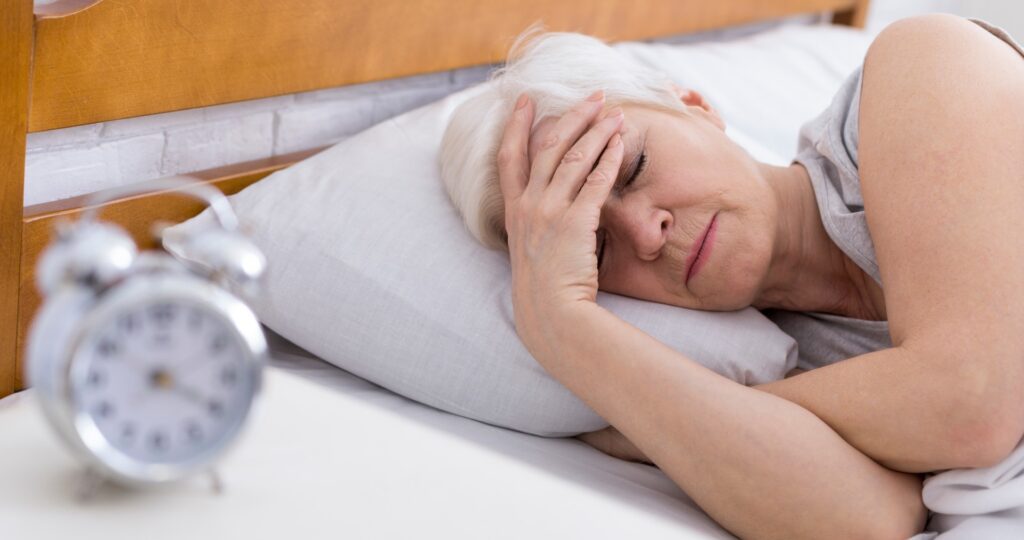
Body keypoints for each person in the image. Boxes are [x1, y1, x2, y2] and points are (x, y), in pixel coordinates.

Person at [439, 14, 1024, 539]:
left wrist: (649, 432)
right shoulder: (765, 357)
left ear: (694, 105)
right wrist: (563, 322)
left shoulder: (923, 67)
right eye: (597, 247)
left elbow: (971, 401)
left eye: (633, 166)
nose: (647, 233)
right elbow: (873, 520)